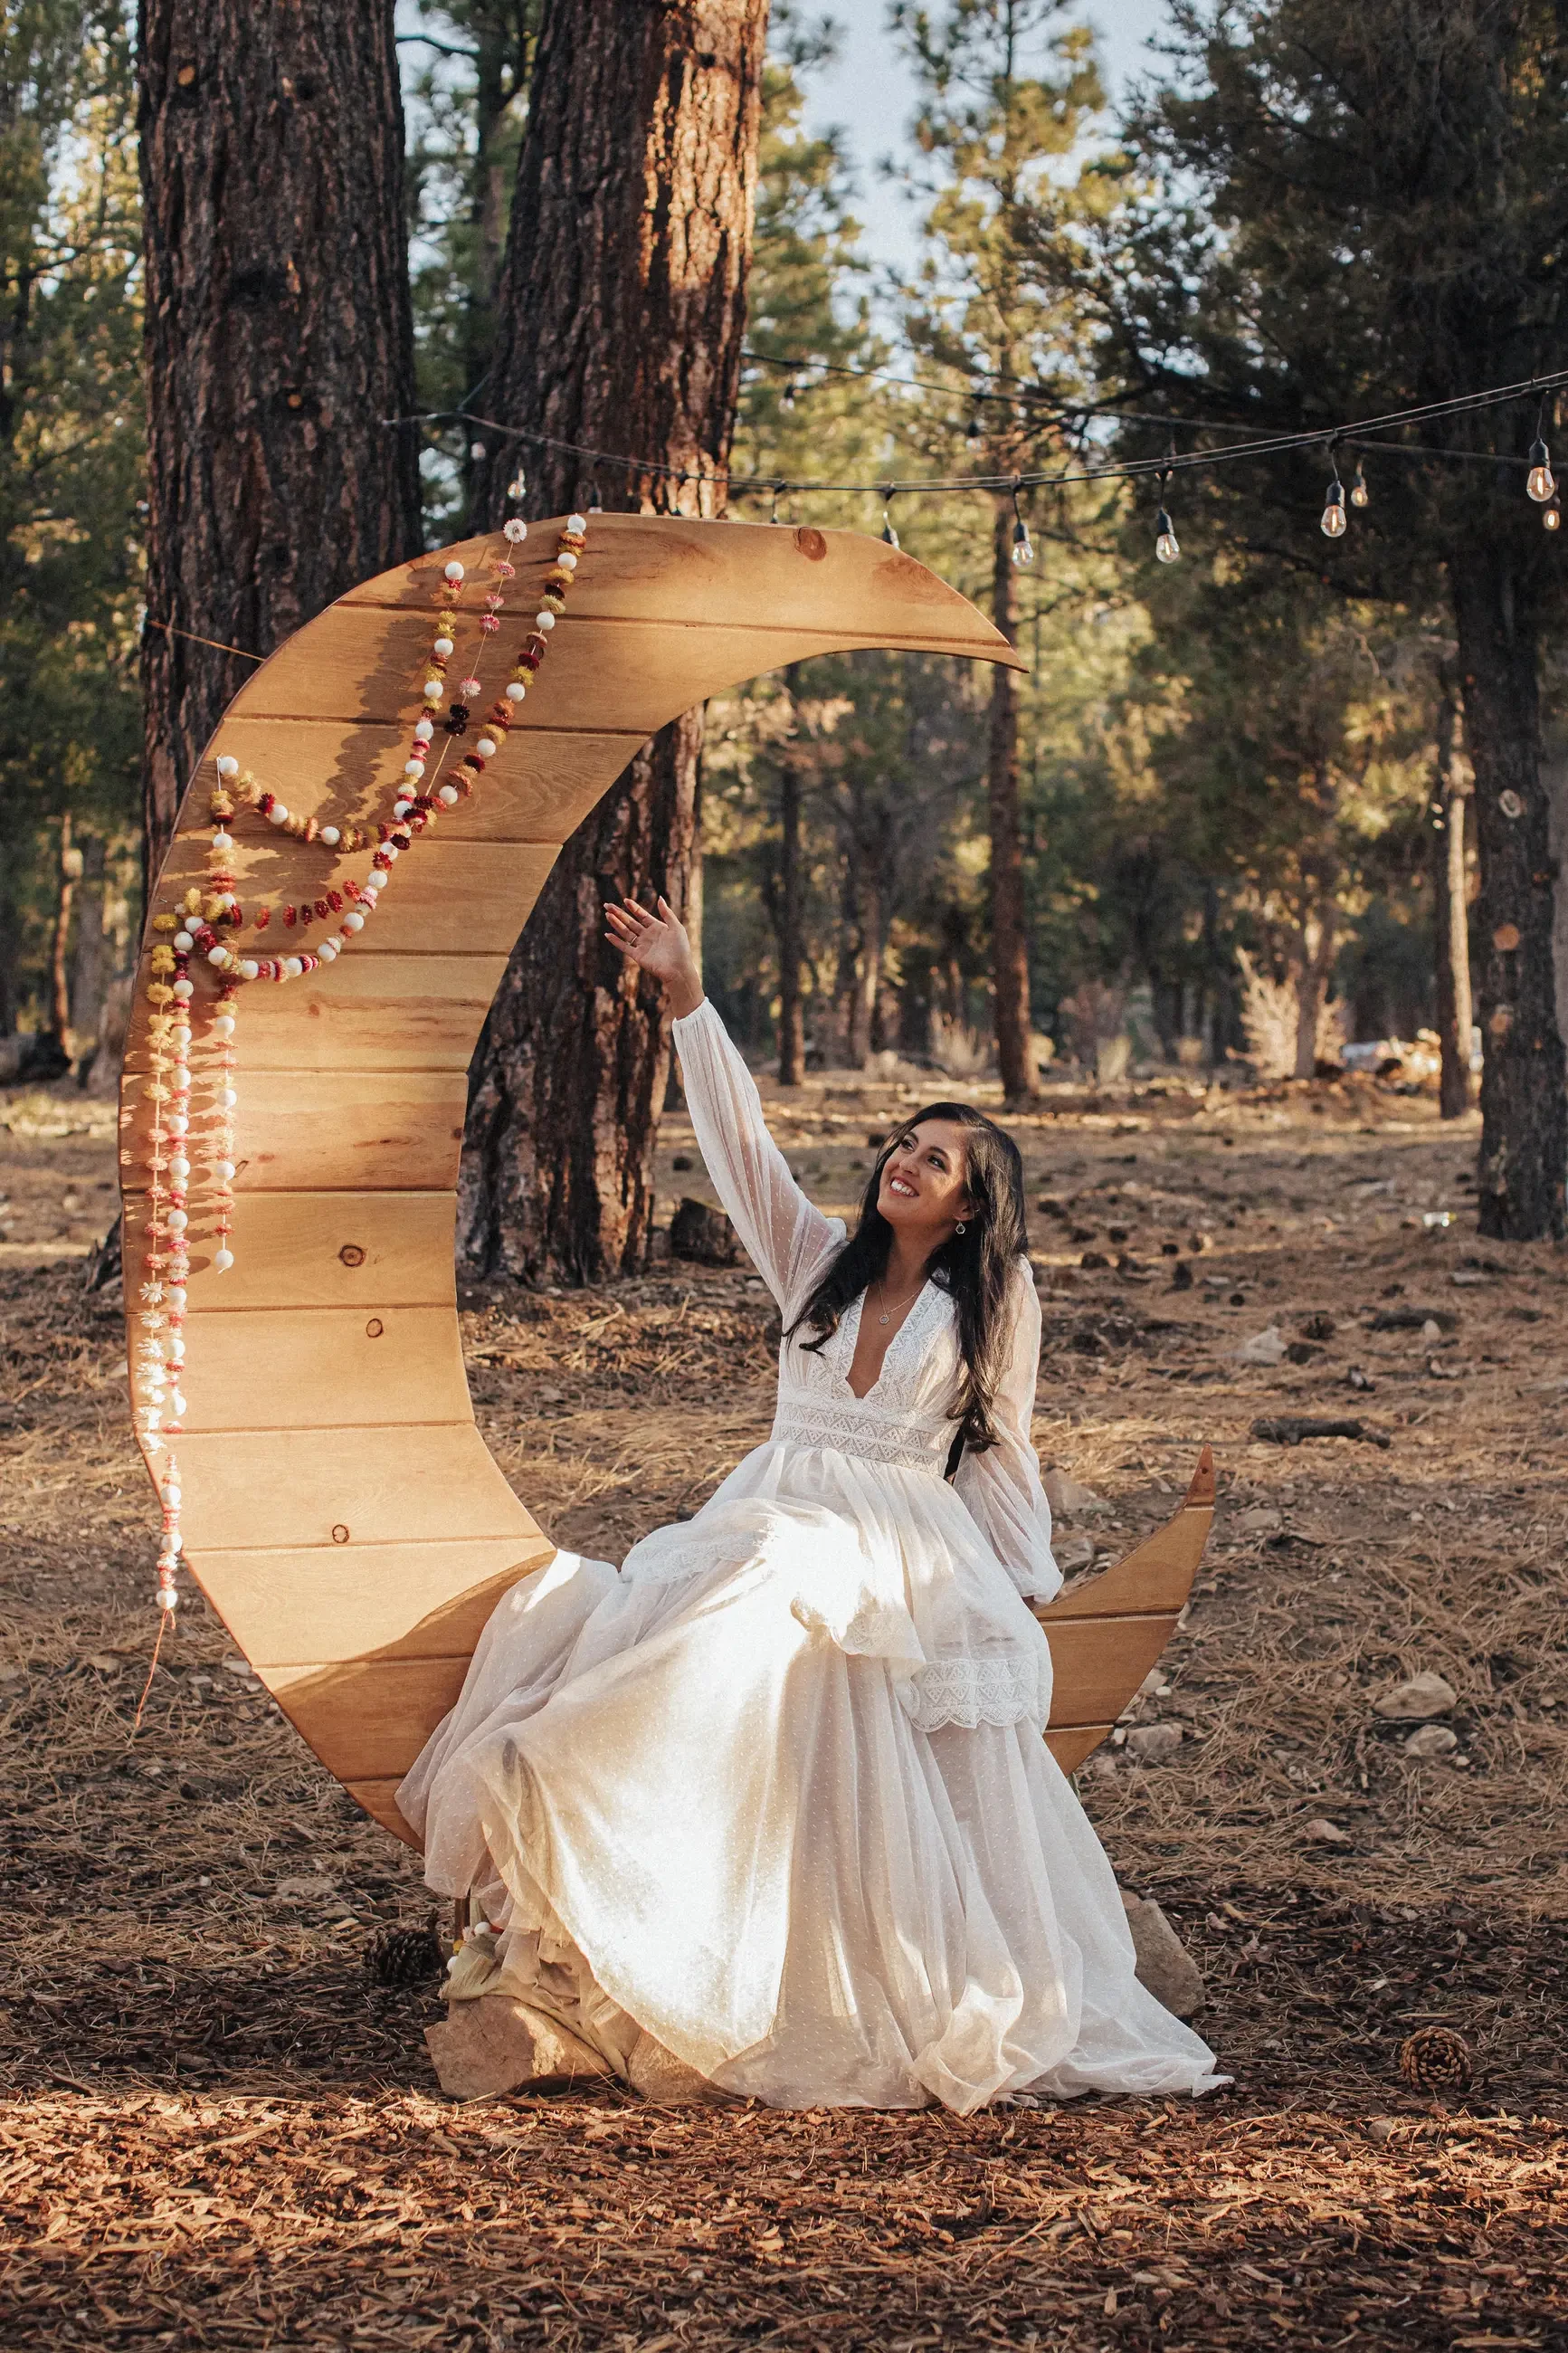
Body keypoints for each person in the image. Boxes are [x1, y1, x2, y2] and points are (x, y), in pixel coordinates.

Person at [398, 897, 1224, 2112]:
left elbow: (1004, 1443)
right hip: (779, 1509)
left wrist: (1021, 1583)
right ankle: (597, 1847)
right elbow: (744, 1152)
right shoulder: (817, 1263)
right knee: (711, 1649)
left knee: (850, 1755)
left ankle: (846, 1985)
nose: (906, 1162)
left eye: (935, 1159)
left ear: (971, 1203)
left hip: (898, 1545)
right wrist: (688, 999)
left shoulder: (997, 1300)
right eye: (904, 1143)